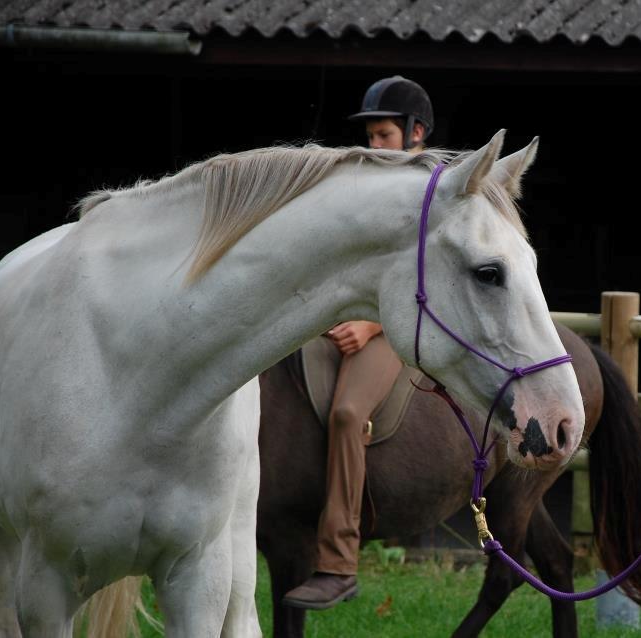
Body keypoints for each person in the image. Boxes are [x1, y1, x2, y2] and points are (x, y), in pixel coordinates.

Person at [282, 75, 434, 610]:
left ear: (416, 133)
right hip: (341, 318)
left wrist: (370, 326)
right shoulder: (363, 187)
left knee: (348, 414)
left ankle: (339, 562)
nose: (374, 145)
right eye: (370, 136)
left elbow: (428, 280)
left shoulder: (434, 193)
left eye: (384, 135)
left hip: (397, 327)